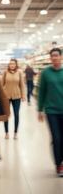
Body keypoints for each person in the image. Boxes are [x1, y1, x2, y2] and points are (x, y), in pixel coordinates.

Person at [38, 48, 63, 177]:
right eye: (52, 56)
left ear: (61, 57)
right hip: (51, 111)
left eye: (56, 55)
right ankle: (58, 164)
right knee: (56, 138)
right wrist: (40, 109)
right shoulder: (46, 73)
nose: (54, 58)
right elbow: (41, 92)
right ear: (50, 58)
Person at [2, 59, 25, 139]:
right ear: (8, 65)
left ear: (16, 65)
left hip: (17, 96)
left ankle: (15, 133)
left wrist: (23, 95)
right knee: (6, 115)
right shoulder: (5, 72)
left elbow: (22, 85)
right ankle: (6, 132)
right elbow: (2, 84)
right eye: (10, 64)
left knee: (16, 114)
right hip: (6, 96)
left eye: (13, 64)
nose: (11, 65)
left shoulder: (19, 72)